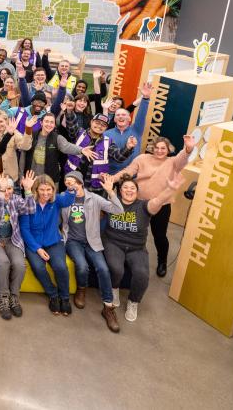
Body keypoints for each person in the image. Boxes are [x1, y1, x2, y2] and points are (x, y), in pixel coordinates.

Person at [102, 170, 186, 323]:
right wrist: (108, 190)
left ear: (137, 192)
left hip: (136, 247)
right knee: (116, 268)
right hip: (113, 242)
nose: (129, 190)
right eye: (125, 188)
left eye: (132, 188)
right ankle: (114, 290)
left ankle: (133, 302)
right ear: (120, 191)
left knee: (142, 274)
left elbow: (159, 200)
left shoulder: (144, 206)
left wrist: (171, 189)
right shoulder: (112, 201)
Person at [110, 135, 194, 278]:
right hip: (139, 204)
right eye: (156, 148)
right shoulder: (142, 159)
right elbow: (128, 171)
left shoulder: (173, 162)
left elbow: (182, 158)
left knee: (159, 236)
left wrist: (188, 148)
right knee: (131, 232)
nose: (159, 151)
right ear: (152, 149)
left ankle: (162, 261)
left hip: (161, 205)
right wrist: (112, 178)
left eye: (163, 148)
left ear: (168, 150)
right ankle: (127, 259)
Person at [61, 171, 124, 333]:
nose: (69, 184)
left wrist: (111, 192)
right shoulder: (63, 197)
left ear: (80, 183)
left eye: (72, 181)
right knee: (82, 266)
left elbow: (118, 211)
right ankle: (81, 290)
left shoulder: (93, 199)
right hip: (72, 241)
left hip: (92, 241)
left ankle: (108, 307)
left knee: (103, 268)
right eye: (66, 182)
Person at [19, 171, 76, 316]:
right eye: (42, 189)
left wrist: (70, 188)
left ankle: (64, 298)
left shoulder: (56, 200)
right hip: (33, 243)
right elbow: (24, 229)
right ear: (36, 190)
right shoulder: (29, 202)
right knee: (38, 267)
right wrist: (37, 249)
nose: (46, 193)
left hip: (53, 241)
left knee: (60, 267)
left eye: (49, 189)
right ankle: (53, 294)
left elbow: (68, 200)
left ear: (53, 189)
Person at [0, 171, 35, 320]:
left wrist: (28, 190)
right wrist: (1, 193)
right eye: (4, 188)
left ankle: (14, 296)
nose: (7, 192)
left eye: (10, 188)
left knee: (19, 264)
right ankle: (4, 298)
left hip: (11, 240)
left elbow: (31, 209)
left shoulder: (16, 199)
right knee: (3, 262)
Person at [104, 82, 151, 173]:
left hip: (130, 174)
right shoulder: (107, 134)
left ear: (129, 118)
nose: (121, 117)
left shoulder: (136, 130)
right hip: (110, 174)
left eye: (124, 114)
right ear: (114, 119)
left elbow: (141, 115)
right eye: (118, 115)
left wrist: (145, 99)